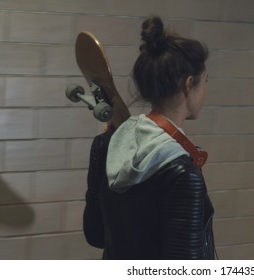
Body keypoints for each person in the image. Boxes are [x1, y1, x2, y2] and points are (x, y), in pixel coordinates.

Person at [83, 15, 215, 260]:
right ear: (189, 84)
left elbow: (96, 234)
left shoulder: (105, 145)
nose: (206, 91)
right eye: (205, 82)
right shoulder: (183, 174)